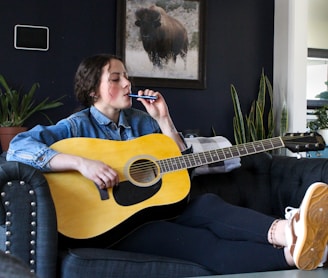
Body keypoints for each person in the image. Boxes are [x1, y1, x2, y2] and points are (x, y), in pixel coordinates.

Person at [6, 54, 328, 274]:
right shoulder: (76, 127)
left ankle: (291, 239)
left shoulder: (141, 122)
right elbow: (19, 147)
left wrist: (164, 120)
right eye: (116, 79)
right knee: (201, 245)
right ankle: (295, 246)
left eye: (127, 78)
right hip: (112, 227)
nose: (127, 85)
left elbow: (181, 167)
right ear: (93, 90)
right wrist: (81, 164)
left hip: (159, 209)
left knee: (207, 206)